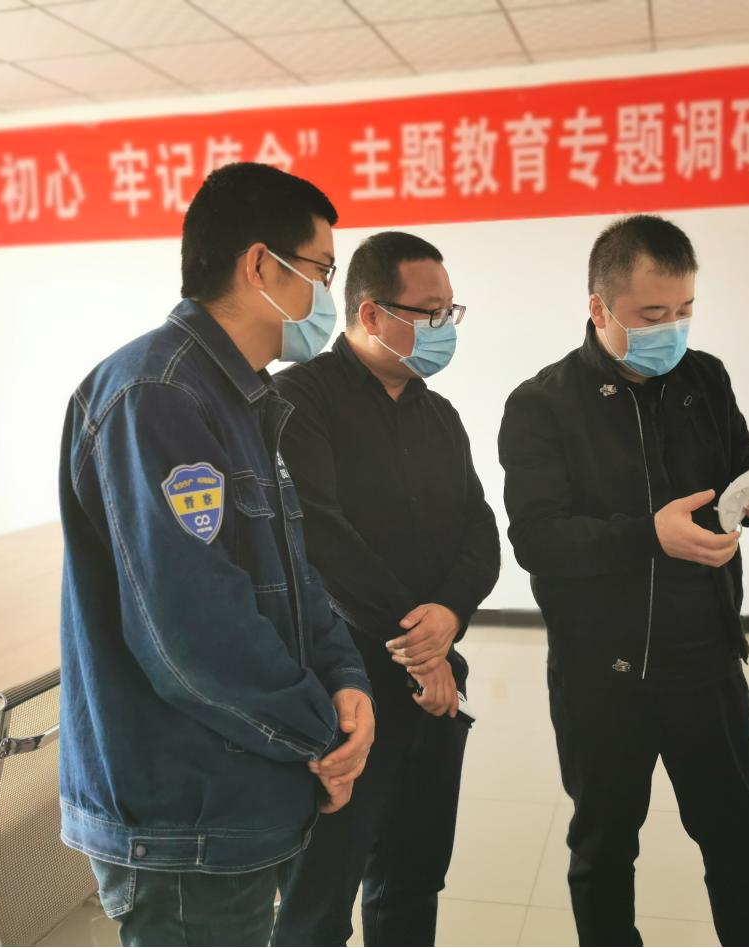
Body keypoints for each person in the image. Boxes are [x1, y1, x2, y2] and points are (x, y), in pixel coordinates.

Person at [57, 163, 374, 947]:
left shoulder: (243, 398)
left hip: (238, 789)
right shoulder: (157, 395)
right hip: (183, 815)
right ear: (261, 266)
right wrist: (322, 732)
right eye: (322, 271)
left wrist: (346, 679)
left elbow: (294, 573)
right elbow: (191, 635)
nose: (326, 297)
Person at [498, 214, 749, 947]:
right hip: (602, 674)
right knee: (604, 848)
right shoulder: (542, 404)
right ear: (599, 308)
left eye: (686, 310)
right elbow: (537, 539)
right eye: (653, 315)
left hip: (706, 661)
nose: (674, 329)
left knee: (740, 838)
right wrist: (647, 536)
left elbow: (739, 469)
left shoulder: (705, 378)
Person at [271, 231, 500, 947]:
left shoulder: (438, 415)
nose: (445, 326)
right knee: (320, 894)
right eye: (430, 312)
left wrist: (450, 614)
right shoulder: (297, 401)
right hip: (341, 688)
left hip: (431, 686)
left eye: (450, 311)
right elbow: (324, 541)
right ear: (371, 314)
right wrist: (419, 646)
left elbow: (479, 530)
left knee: (413, 876)